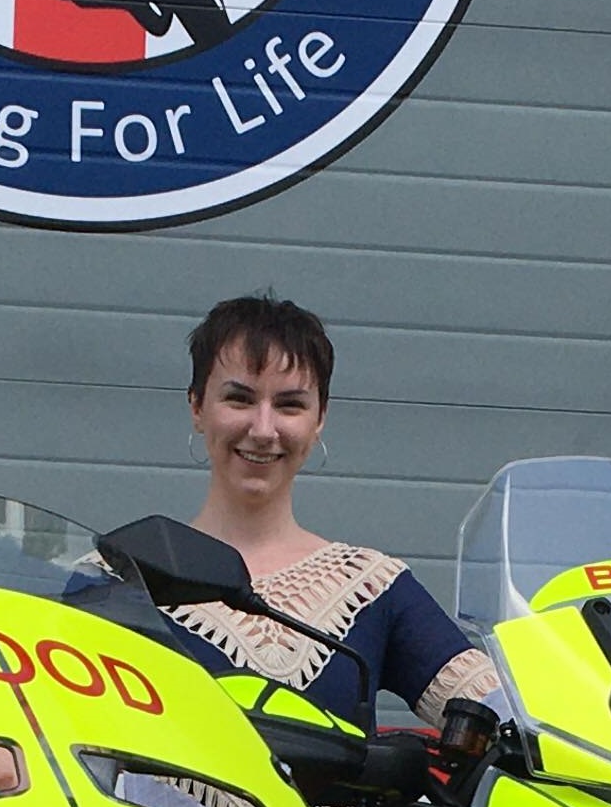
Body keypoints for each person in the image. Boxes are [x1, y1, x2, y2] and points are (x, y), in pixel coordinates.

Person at [158, 291, 498, 732]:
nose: (263, 430)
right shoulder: (122, 579)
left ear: (319, 420)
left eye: (289, 405)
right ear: (197, 407)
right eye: (239, 399)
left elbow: (500, 714)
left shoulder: (369, 586)